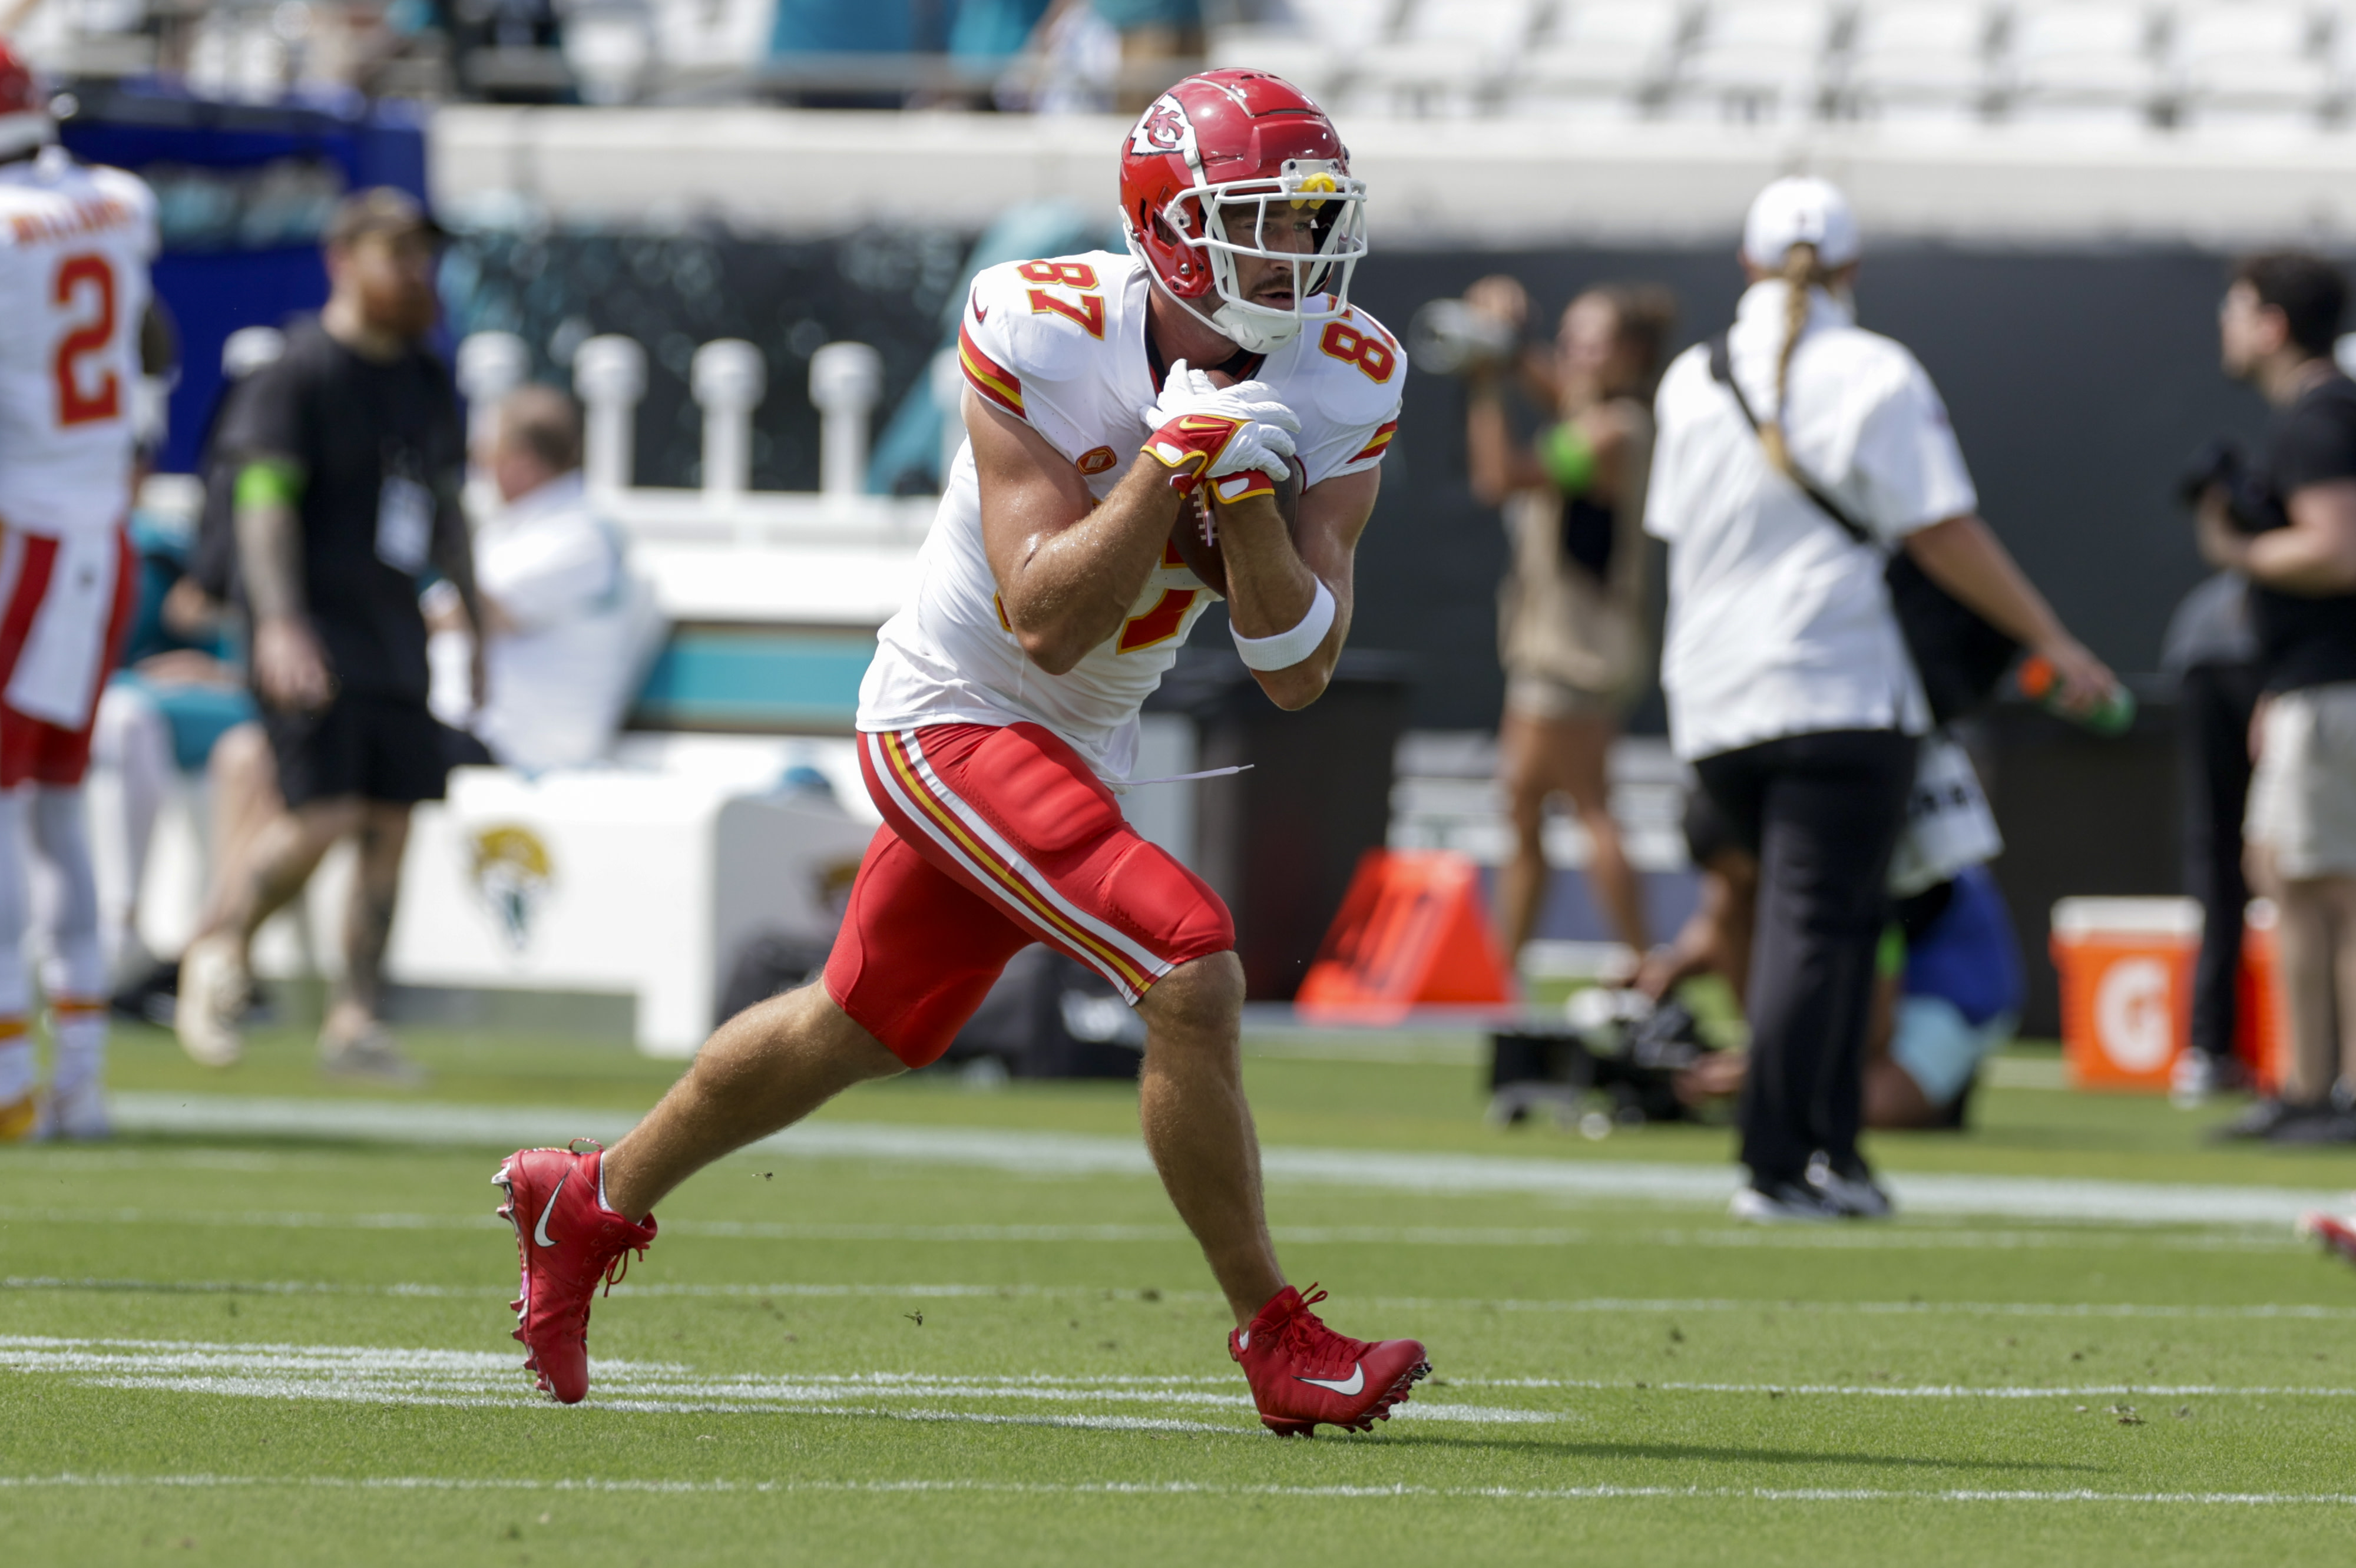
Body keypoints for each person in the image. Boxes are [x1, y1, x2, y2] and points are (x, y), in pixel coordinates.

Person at [492, 71, 1430, 1435]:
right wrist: (1166, 464)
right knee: (1188, 963)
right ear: (1170, 229)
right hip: (950, 714)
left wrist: (1246, 504)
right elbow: (1042, 618)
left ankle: (588, 1196)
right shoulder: (1044, 326)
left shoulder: (1349, 372)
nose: (1295, 260)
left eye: (1307, 226)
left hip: (1072, 746)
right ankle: (1278, 1341)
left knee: (851, 1025)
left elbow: (1298, 670)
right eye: (1260, 225)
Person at [1645, 176, 2115, 1222]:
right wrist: (2050, 639)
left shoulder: (1689, 379)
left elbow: (1678, 537)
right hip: (1838, 682)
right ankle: (1783, 1163)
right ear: (1853, 268)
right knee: (1827, 923)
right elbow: (1942, 530)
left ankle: (1829, 1156)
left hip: (1716, 692)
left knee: (1805, 922)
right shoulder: (1876, 371)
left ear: (1748, 265)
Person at [173, 187, 481, 1082]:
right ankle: (216, 946)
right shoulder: (298, 371)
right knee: (324, 814)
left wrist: (475, 622)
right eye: (398, 255)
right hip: (312, 629)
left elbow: (451, 508)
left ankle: (355, 1020)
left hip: (395, 633)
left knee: (390, 828)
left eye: (423, 256)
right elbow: (262, 502)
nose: (416, 274)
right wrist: (276, 622)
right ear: (342, 260)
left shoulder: (426, 376)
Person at [0, 47, 167, 1143]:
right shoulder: (120, 200)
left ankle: (13, 1061)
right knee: (55, 799)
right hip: (101, 525)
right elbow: (150, 338)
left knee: (13, 800)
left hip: (29, 533)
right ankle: (84, 1074)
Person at [1460, 275, 1673, 973]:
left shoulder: (1614, 430)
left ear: (1632, 354)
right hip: (1562, 650)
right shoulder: (1599, 411)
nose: (1573, 353)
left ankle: (1644, 966)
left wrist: (1484, 381)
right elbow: (1553, 388)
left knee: (1584, 807)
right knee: (1528, 808)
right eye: (1568, 338)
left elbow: (1499, 478)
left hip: (1576, 657)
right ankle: (1506, 972)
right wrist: (1506, 335)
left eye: (1592, 341)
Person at [2198, 253, 2356, 1143]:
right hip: (2312, 686)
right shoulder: (2322, 414)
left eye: (2238, 308)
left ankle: (2334, 1090)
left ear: (2272, 324)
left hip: (2336, 691)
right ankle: (2307, 1084)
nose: (2226, 324)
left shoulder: (2321, 416)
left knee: (2335, 886)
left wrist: (2240, 552)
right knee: (2291, 877)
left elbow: (2338, 549)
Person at [1656, 787, 2024, 1130]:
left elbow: (1875, 1032)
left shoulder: (1852, 861)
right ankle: (1770, 1052)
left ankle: (1937, 1092)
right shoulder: (1766, 855)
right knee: (1808, 1098)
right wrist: (1665, 971)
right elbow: (1721, 922)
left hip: (1952, 985)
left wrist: (1776, 1070)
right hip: (1874, 966)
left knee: (1852, 1108)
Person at [425, 385, 660, 773]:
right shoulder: (529, 527)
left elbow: (471, 613)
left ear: (523, 462)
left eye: (488, 450)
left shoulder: (582, 538)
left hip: (516, 748)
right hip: (475, 734)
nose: (478, 463)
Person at [2158, 568, 2264, 1106]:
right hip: (2283, 661)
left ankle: (2207, 1048)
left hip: (2203, 643)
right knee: (2322, 875)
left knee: (2218, 851)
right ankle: (2210, 1050)